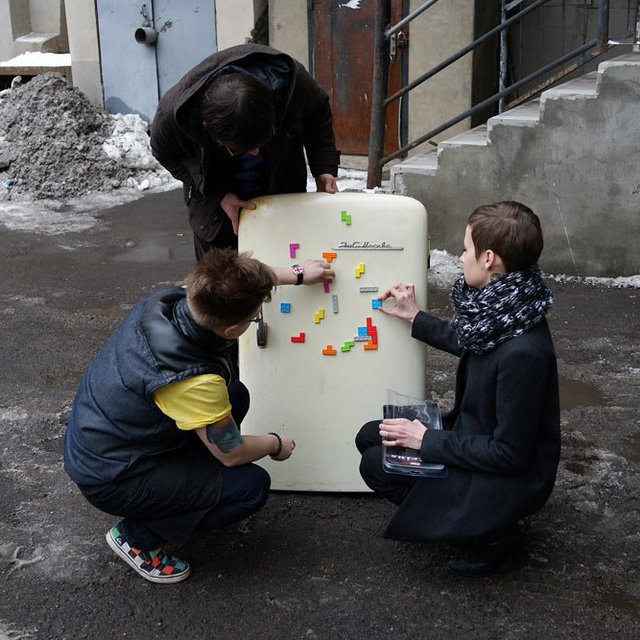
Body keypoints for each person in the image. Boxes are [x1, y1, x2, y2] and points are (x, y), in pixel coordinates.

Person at [63, 249, 334, 584]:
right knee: (251, 486)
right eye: (254, 318)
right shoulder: (194, 380)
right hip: (115, 475)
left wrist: (294, 273)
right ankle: (137, 538)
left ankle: (189, 489)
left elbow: (229, 278)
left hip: (108, 438)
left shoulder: (167, 302)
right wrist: (276, 443)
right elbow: (232, 454)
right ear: (234, 328)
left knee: (236, 395)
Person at [356, 201, 560, 577]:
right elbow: (472, 341)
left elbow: (510, 454)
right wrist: (414, 316)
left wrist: (426, 440)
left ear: (488, 259)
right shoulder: (511, 308)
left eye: (465, 249)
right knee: (371, 436)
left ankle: (492, 537)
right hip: (475, 435)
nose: (460, 257)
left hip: (506, 473)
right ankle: (474, 519)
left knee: (377, 464)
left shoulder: (524, 353)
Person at [150, 43, 341, 259]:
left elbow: (318, 112)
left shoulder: (292, 84)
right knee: (223, 283)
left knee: (287, 260)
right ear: (208, 129)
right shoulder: (173, 117)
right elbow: (164, 152)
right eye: (242, 148)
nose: (255, 153)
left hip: (281, 190)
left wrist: (323, 167)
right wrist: (216, 195)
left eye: (262, 141)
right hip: (217, 213)